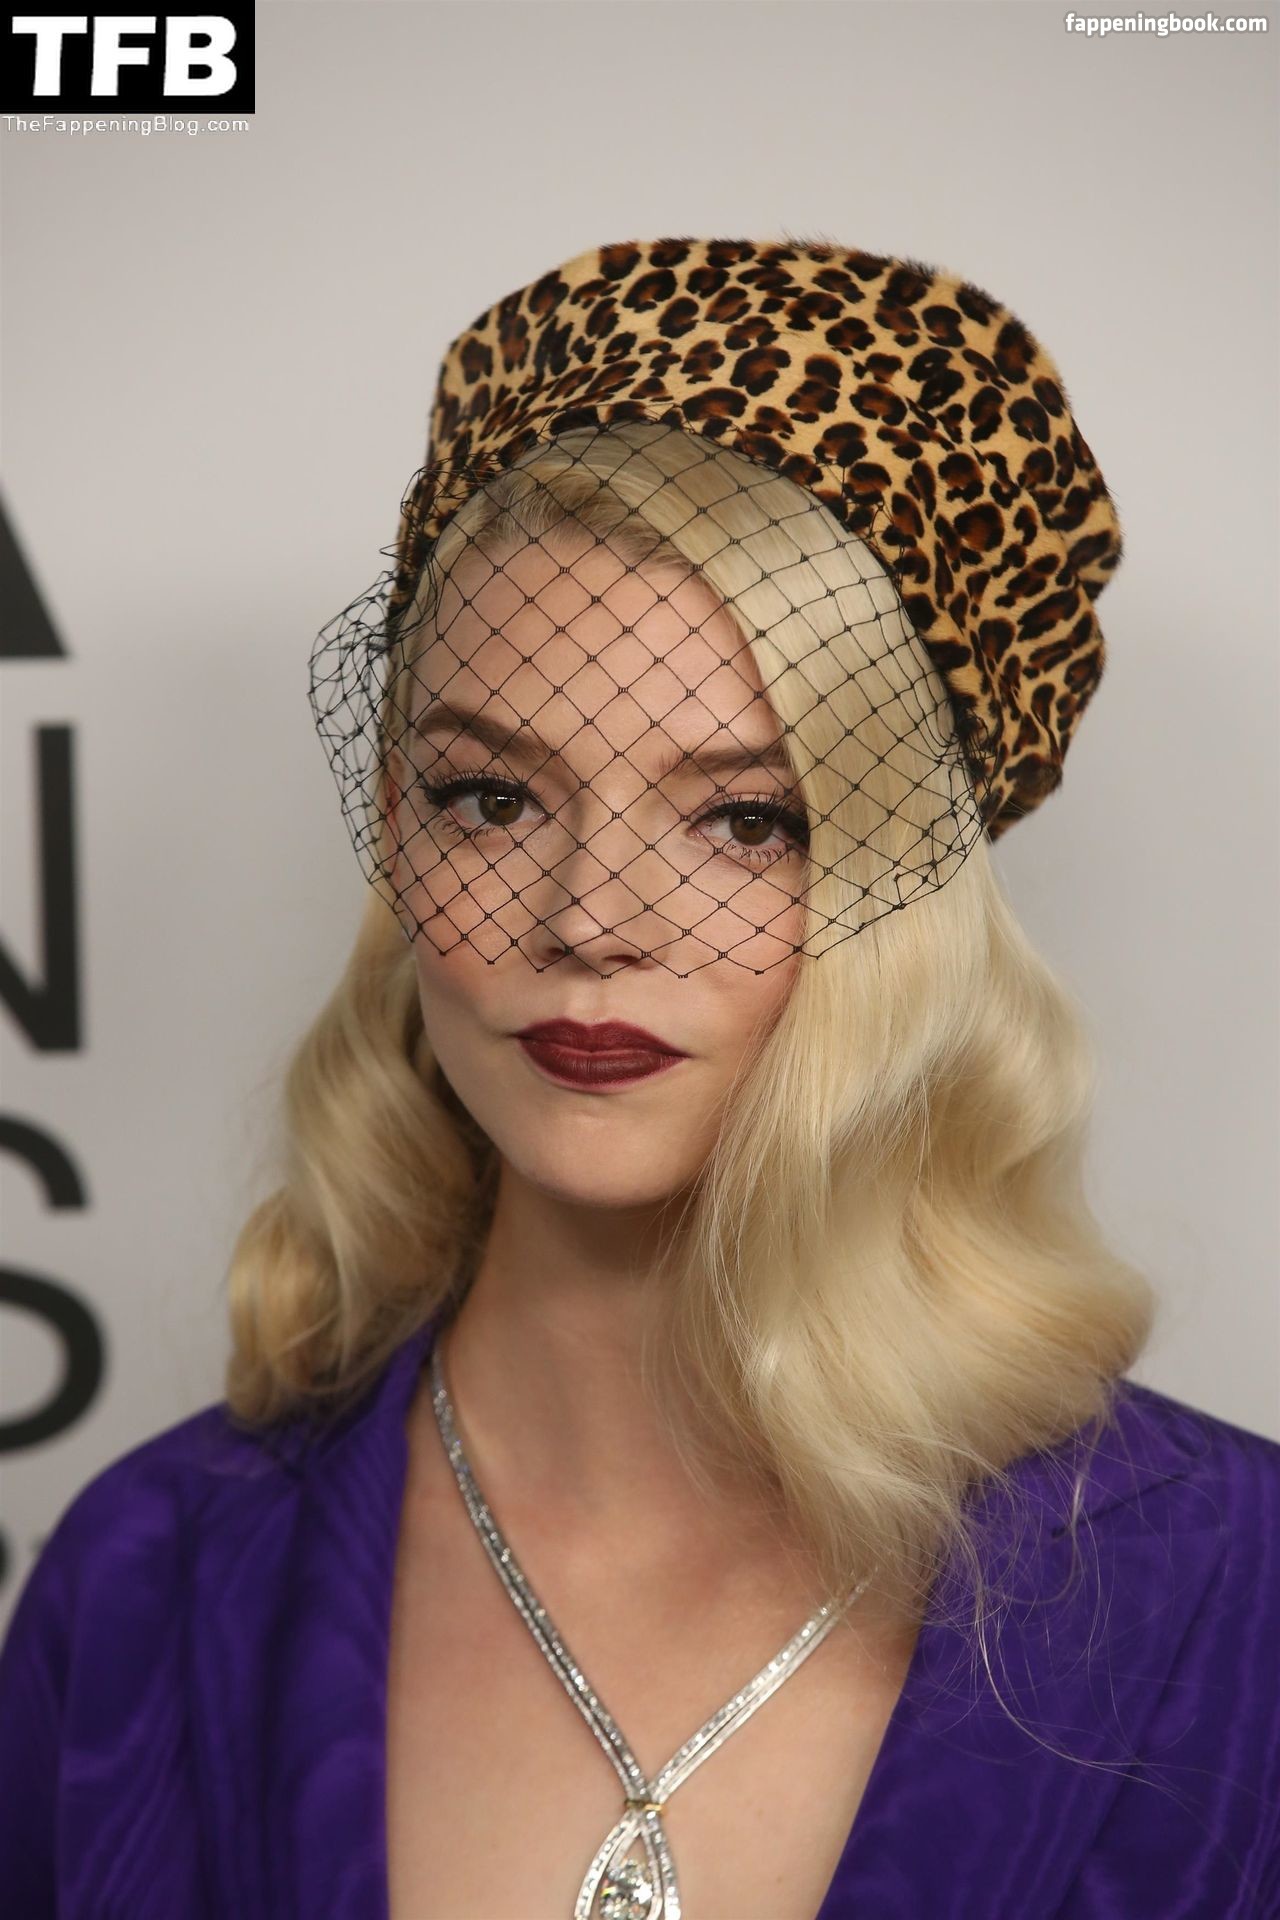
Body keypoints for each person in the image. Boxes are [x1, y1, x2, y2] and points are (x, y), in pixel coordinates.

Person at [1, 236, 1277, 1920]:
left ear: (905, 886)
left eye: (747, 819)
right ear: (395, 834)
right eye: (491, 799)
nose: (592, 920)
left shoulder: (1237, 1597)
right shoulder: (145, 1588)